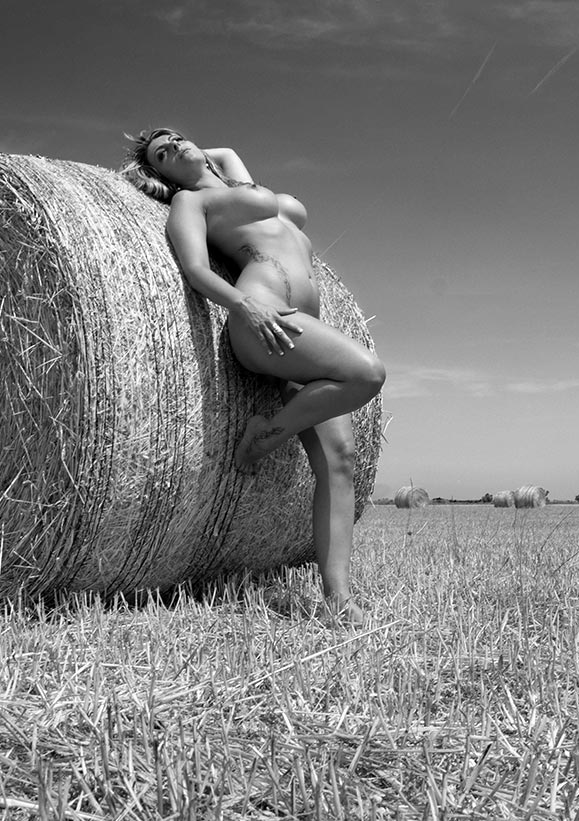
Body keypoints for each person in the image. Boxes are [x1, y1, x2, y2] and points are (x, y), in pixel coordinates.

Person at [120, 127, 385, 625]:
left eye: (177, 136)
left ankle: (339, 601)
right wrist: (245, 308)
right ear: (160, 175)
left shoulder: (240, 185)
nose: (176, 145)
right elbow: (196, 269)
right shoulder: (189, 206)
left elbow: (224, 153)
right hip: (262, 317)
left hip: (304, 327)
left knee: (341, 461)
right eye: (163, 152)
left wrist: (196, 155)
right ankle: (263, 438)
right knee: (367, 374)